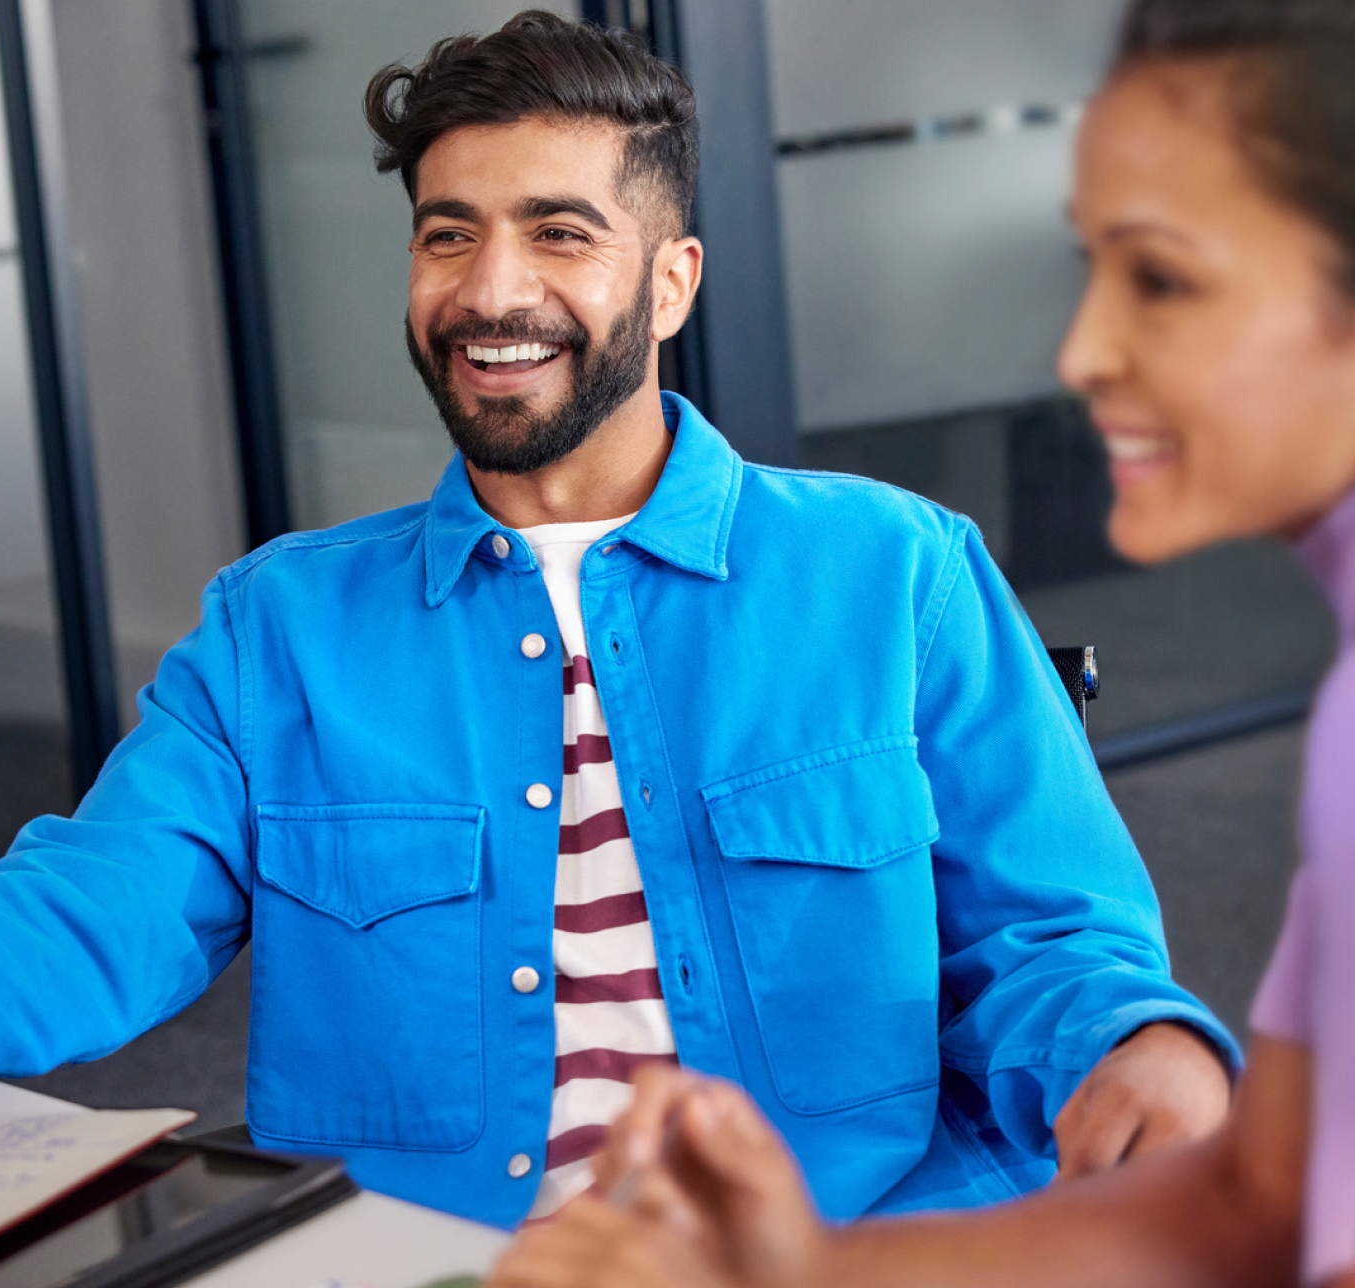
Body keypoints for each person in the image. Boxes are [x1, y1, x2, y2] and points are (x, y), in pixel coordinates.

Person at [0, 11, 1233, 1231]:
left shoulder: (896, 570)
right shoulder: (280, 629)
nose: (492, 289)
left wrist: (1138, 1045)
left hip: (849, 1248)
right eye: (447, 235)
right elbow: (85, 915)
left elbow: (1052, 936)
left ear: (669, 284)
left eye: (558, 233)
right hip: (440, 1258)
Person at [486, 0, 1355, 1280]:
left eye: (1161, 276)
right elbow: (1253, 1204)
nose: (1082, 351)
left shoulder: (897, 563)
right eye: (1090, 267)